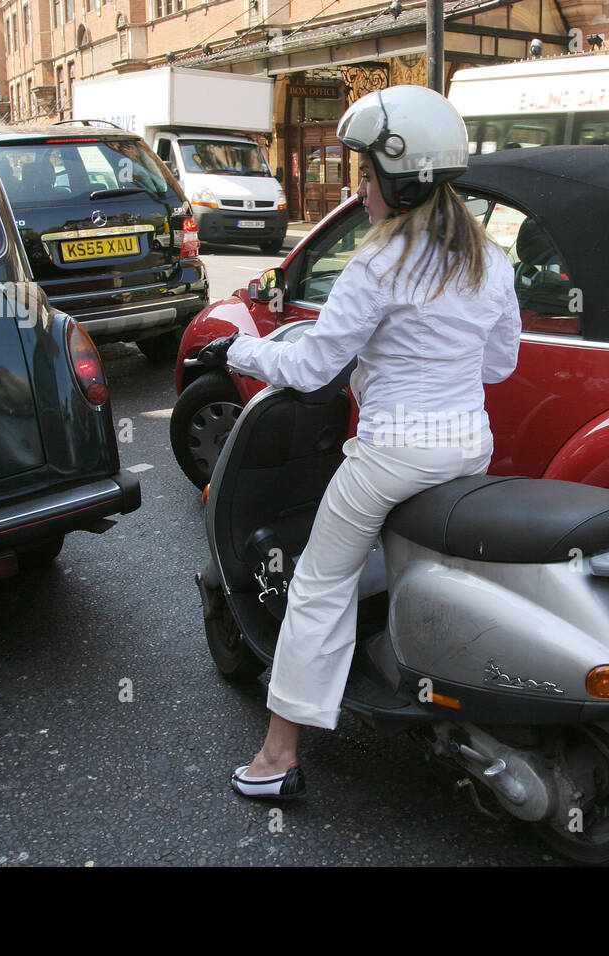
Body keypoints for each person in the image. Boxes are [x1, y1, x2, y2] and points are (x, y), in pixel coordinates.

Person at [197, 85, 522, 799]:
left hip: (393, 456)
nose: (361, 187)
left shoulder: (376, 265)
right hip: (469, 448)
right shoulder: (491, 261)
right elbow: (500, 364)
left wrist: (242, 353)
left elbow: (314, 367)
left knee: (318, 584)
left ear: (402, 177)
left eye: (369, 173)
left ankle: (278, 756)